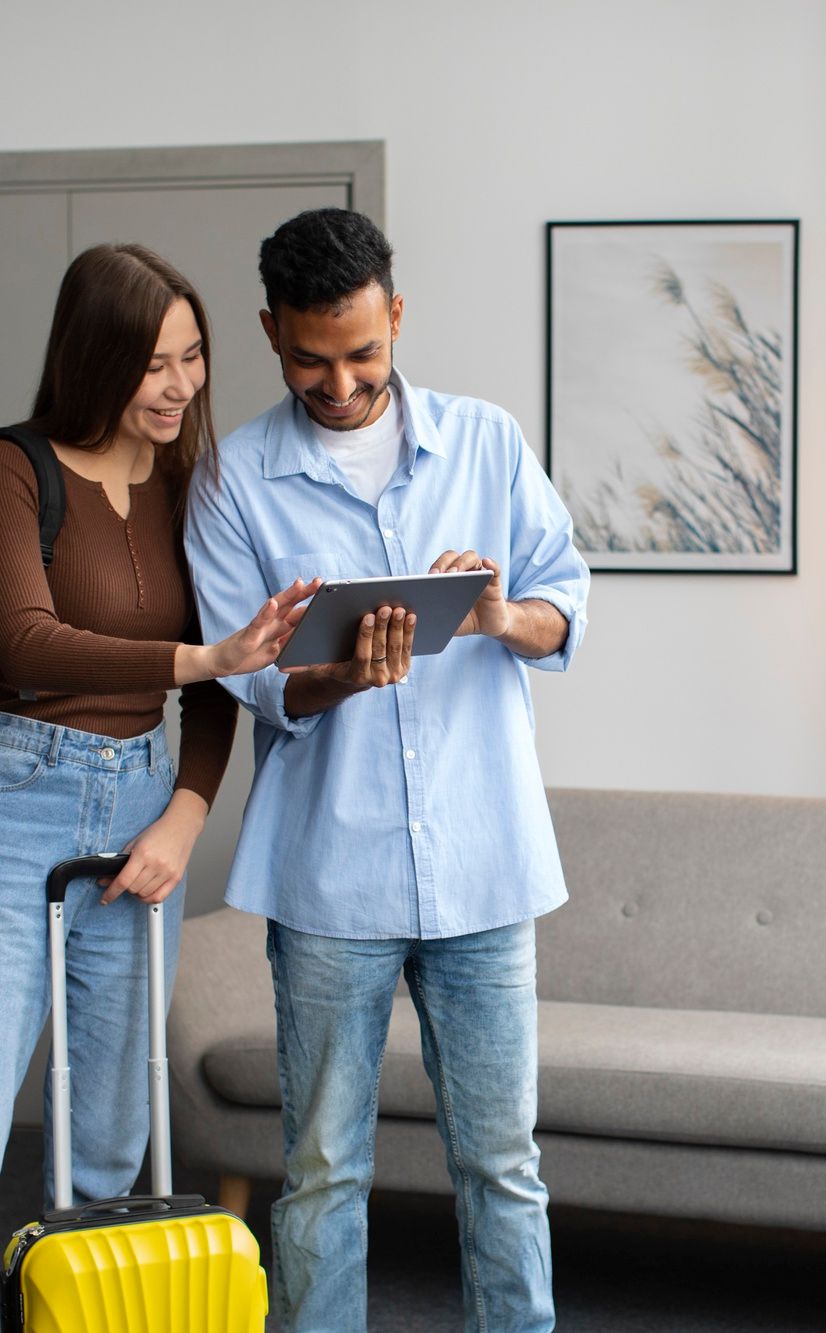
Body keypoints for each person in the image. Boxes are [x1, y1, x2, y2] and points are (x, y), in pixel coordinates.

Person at [0, 243, 316, 1333]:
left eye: (194, 357)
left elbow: (228, 687)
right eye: (154, 362)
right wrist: (198, 660)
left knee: (112, 1167)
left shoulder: (190, 487)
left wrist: (184, 817)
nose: (180, 386)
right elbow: (25, 642)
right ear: (94, 355)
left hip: (141, 817)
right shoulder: (7, 468)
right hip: (5, 808)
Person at [186, 208, 591, 1332]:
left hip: (483, 865)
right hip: (329, 880)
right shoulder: (233, 481)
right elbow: (250, 681)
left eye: (364, 353)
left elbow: (567, 606)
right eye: (311, 358)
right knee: (320, 1172)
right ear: (270, 331)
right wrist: (343, 676)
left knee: (502, 1166)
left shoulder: (488, 443)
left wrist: (505, 614)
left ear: (396, 316)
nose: (341, 381)